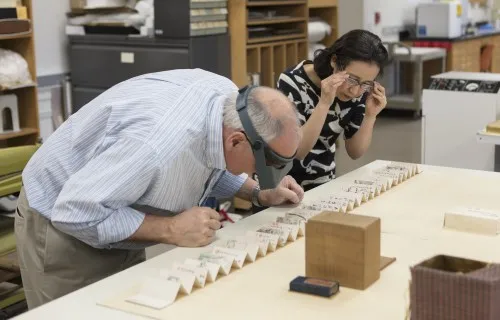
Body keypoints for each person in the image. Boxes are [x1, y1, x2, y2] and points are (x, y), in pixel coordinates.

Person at [15, 69, 304, 309]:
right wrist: (170, 229)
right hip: (62, 222)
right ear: (237, 141)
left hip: (119, 206)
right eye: (265, 163)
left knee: (125, 309)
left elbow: (209, 163)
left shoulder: (226, 100)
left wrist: (258, 191)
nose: (262, 171)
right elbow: (75, 212)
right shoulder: (155, 147)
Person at [277, 29, 389, 191]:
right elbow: (297, 151)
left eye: (366, 83)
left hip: (323, 183)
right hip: (280, 184)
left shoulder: (359, 91)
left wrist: (370, 116)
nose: (355, 91)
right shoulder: (293, 81)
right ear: (334, 61)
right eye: (351, 79)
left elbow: (355, 152)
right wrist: (324, 103)